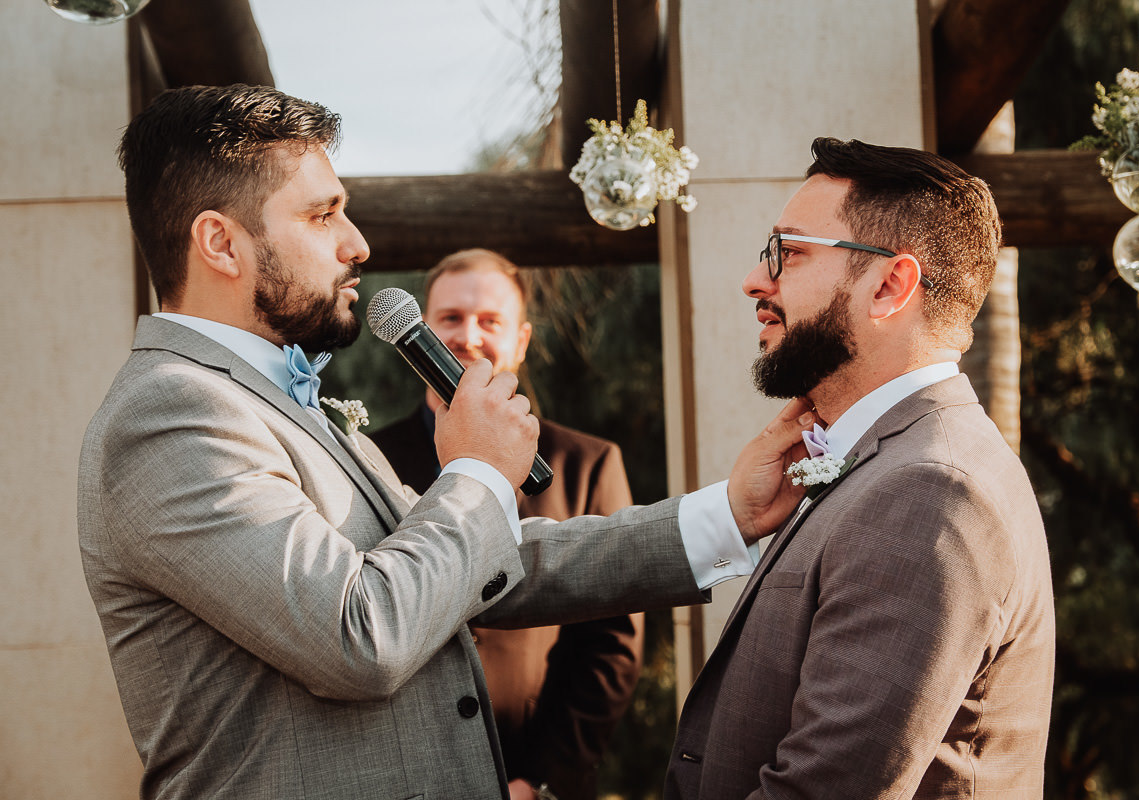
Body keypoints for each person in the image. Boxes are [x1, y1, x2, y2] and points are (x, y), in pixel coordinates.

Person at [77, 84, 809, 800]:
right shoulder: (170, 414)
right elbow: (359, 637)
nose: (357, 244)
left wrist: (730, 516)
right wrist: (479, 471)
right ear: (220, 243)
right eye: (323, 214)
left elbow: (485, 563)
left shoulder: (272, 398)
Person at [663, 138, 1055, 799]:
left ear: (889, 286)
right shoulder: (890, 461)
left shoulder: (932, 490)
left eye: (788, 254)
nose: (755, 281)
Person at [371, 249, 641, 800]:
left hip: (531, 771)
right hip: (402, 771)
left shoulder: (587, 464)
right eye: (448, 318)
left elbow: (609, 640)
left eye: (489, 321)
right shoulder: (368, 458)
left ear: (520, 339)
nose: (467, 335)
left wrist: (540, 781)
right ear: (416, 329)